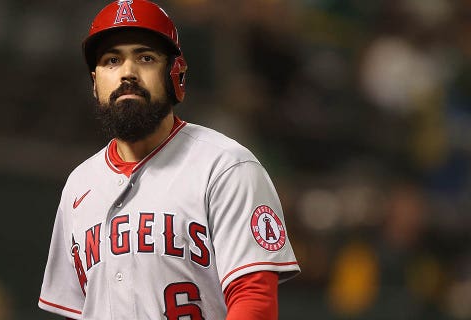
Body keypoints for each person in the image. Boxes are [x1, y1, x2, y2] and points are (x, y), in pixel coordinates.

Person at [37, 1, 300, 319]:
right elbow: (75, 310)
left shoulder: (226, 167)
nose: (127, 73)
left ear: (174, 74)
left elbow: (254, 298)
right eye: (112, 60)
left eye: (145, 58)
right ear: (95, 82)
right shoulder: (79, 185)